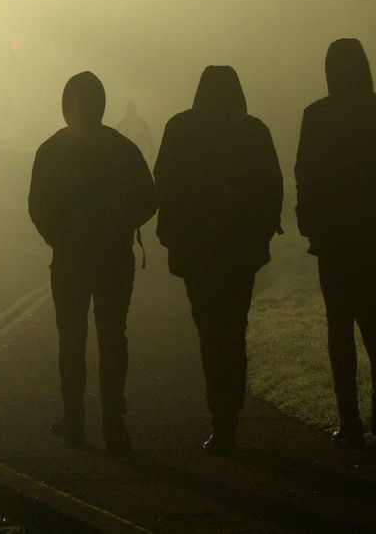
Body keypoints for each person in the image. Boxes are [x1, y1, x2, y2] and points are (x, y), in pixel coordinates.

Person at [294, 38, 376, 447]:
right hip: (375, 234)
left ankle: (349, 419)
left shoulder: (317, 114)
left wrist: (310, 224)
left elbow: (306, 175)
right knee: (371, 315)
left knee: (339, 322)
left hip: (334, 235)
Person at [154, 66, 283, 454]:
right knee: (234, 329)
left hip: (199, 251)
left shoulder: (181, 128)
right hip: (239, 251)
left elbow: (164, 183)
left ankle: (221, 417)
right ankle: (230, 414)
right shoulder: (253, 131)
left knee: (210, 333)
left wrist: (176, 233)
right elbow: (272, 188)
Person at [28, 71, 156, 454]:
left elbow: (38, 206)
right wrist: (121, 225)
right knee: (112, 338)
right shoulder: (122, 148)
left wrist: (60, 236)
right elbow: (149, 199)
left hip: (70, 260)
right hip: (114, 258)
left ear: (67, 106)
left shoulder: (50, 151)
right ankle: (113, 423)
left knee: (72, 341)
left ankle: (74, 420)